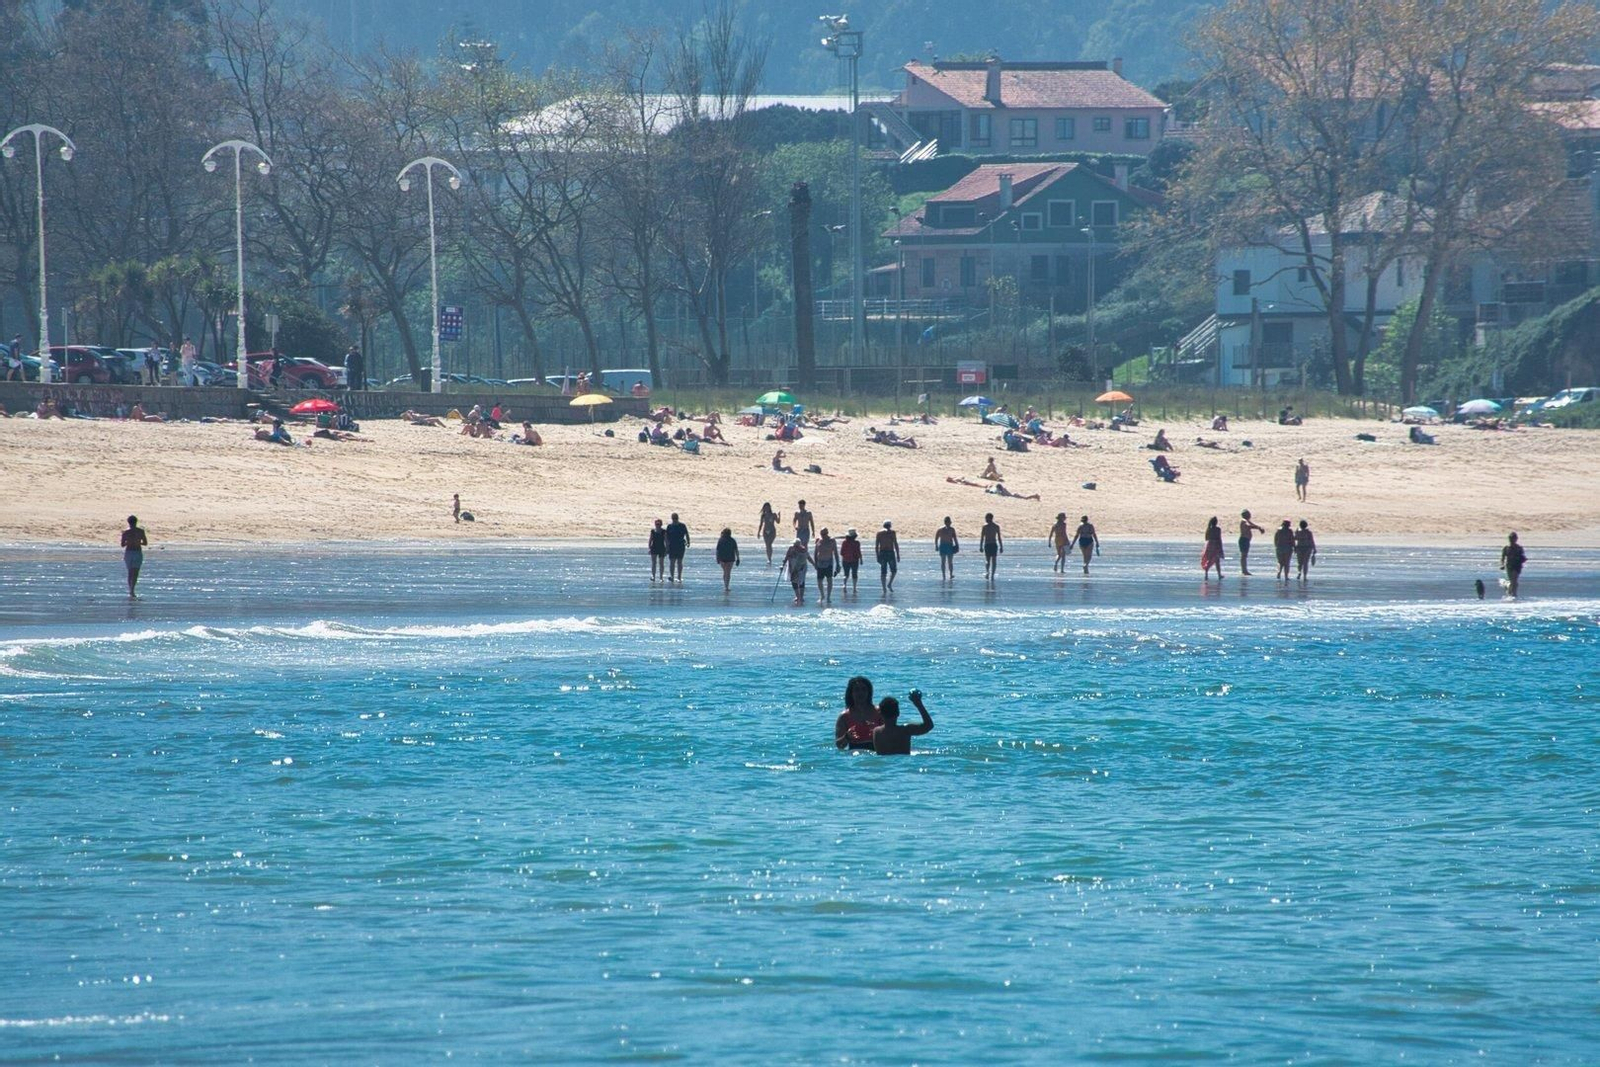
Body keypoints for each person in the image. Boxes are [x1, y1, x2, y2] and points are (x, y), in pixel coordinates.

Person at [872, 691, 934, 756]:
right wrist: (919, 704)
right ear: (898, 713)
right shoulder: (905, 730)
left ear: (880, 714)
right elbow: (929, 726)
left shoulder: (876, 732)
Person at [835, 675, 881, 750]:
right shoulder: (844, 717)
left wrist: (878, 732)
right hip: (854, 754)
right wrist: (846, 737)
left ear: (869, 692)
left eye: (864, 689)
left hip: (876, 753)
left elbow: (891, 735)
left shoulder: (879, 712)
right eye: (857, 690)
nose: (861, 693)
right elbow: (839, 746)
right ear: (851, 693)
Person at [120, 515, 148, 599]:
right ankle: (132, 590)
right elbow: (145, 543)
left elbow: (122, 544)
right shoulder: (140, 531)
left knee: (130, 572)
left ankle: (131, 590)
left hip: (129, 552)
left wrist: (129, 542)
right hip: (137, 552)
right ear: (136, 522)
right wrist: (137, 542)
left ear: (128, 522)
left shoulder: (126, 532)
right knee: (135, 572)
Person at [780, 538, 816, 605]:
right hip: (793, 567)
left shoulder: (803, 550)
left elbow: (808, 558)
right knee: (794, 581)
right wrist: (783, 565)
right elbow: (786, 557)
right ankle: (797, 596)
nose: (795, 546)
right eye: (794, 545)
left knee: (801, 581)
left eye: (796, 545)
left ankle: (801, 597)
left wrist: (814, 564)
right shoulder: (791, 549)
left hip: (802, 567)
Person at [875, 521, 900, 593]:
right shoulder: (890, 533)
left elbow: (877, 546)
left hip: (885, 553)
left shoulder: (882, 533)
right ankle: (886, 586)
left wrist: (877, 555)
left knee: (886, 571)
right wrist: (898, 554)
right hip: (888, 553)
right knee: (890, 571)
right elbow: (895, 543)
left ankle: (886, 587)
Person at [1238, 510, 1265, 575]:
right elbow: (1248, 526)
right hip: (1244, 540)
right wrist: (1258, 528)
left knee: (1244, 555)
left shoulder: (1247, 521)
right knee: (1244, 555)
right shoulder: (1244, 521)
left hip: (1246, 540)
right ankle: (1244, 570)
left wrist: (1259, 527)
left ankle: (1244, 570)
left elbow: (1252, 524)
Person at [814, 528, 838, 602]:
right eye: (822, 534)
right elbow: (815, 553)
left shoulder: (832, 541)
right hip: (820, 563)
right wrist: (815, 563)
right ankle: (822, 595)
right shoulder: (818, 540)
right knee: (819, 580)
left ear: (827, 533)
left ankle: (828, 597)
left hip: (829, 562)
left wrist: (838, 564)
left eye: (824, 534)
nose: (823, 536)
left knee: (829, 580)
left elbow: (835, 553)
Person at [665, 512, 690, 582]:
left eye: (675, 518)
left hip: (680, 545)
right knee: (672, 561)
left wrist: (688, 542)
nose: (674, 520)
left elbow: (686, 534)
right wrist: (667, 546)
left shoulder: (682, 525)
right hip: (672, 545)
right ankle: (672, 576)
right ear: (672, 519)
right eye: (674, 519)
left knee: (679, 561)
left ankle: (679, 577)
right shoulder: (670, 526)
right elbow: (666, 537)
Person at [1500, 532, 1526, 598]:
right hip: (1509, 566)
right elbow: (1502, 558)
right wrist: (1502, 565)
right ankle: (1509, 589)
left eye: (1513, 539)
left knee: (1514, 580)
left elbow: (1522, 557)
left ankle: (1513, 594)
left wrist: (1523, 559)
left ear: (1516, 539)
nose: (1512, 540)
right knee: (1512, 581)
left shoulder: (1519, 548)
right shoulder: (1506, 548)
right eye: (1510, 539)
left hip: (1517, 566)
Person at [714, 527, 741, 592]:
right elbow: (736, 550)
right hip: (730, 558)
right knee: (728, 572)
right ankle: (727, 586)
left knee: (725, 572)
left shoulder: (721, 540)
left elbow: (717, 550)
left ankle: (726, 585)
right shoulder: (732, 540)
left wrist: (717, 558)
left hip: (722, 558)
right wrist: (738, 558)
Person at [979, 513, 1003, 580]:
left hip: (993, 544)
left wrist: (1001, 546)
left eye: (986, 518)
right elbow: (982, 537)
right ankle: (987, 572)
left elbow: (999, 537)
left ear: (990, 518)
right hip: (987, 544)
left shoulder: (996, 526)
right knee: (987, 560)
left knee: (994, 560)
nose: (985, 519)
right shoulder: (984, 527)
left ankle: (992, 574)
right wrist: (981, 546)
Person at [1202, 516, 1225, 581]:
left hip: (1209, 545)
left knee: (1209, 559)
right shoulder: (1218, 529)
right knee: (1217, 560)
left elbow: (1206, 538)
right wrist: (1221, 548)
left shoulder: (1209, 529)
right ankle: (1219, 574)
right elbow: (1219, 538)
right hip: (1216, 545)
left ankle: (1206, 574)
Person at [839, 529, 862, 593]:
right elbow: (858, 552)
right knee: (854, 574)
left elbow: (841, 552)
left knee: (846, 574)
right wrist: (861, 559)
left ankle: (844, 585)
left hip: (846, 560)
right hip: (854, 560)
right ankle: (854, 588)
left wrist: (846, 556)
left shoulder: (844, 542)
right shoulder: (857, 543)